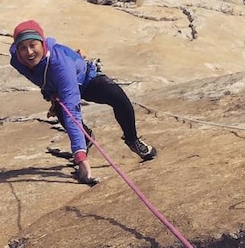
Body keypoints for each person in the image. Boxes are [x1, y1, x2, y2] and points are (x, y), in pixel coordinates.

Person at [9, 19, 156, 185]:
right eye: (23, 47)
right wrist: (49, 90)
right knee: (63, 114)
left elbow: (72, 112)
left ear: (42, 43)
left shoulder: (60, 65)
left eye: (33, 45)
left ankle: (133, 140)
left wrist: (80, 158)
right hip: (60, 88)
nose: (28, 52)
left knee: (118, 98)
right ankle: (86, 139)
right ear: (17, 49)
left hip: (87, 80)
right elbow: (37, 75)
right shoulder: (17, 61)